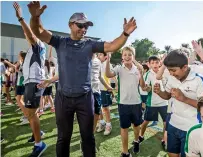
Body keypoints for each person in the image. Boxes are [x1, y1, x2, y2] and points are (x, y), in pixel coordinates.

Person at [28, 1, 137, 156]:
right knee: (63, 138)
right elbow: (38, 31)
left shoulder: (90, 44)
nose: (84, 29)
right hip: (63, 98)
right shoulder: (60, 42)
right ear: (70, 25)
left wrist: (125, 33)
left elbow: (112, 46)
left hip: (85, 98)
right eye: (80, 25)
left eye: (86, 26)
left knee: (88, 137)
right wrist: (35, 17)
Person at [154, 48, 203, 157]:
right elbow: (167, 95)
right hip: (173, 124)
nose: (171, 73)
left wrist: (184, 99)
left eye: (173, 70)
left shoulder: (199, 80)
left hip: (191, 127)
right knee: (172, 154)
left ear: (185, 67)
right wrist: (159, 92)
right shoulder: (172, 78)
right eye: (169, 70)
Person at [13, 2, 47, 156]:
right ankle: (37, 135)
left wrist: (21, 18)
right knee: (31, 113)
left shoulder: (38, 43)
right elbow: (29, 35)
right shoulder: (33, 48)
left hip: (34, 82)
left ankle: (39, 143)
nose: (27, 36)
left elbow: (31, 36)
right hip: (31, 82)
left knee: (31, 114)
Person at [106, 46, 145, 157]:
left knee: (136, 126)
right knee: (124, 128)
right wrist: (108, 60)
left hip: (136, 103)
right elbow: (108, 74)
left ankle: (137, 141)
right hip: (123, 104)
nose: (127, 56)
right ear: (122, 57)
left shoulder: (138, 69)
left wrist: (141, 73)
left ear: (133, 57)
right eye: (125, 54)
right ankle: (125, 152)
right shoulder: (119, 68)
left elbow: (142, 86)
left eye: (130, 54)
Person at [139, 56, 168, 149]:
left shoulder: (165, 72)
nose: (155, 64)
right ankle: (140, 136)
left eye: (156, 62)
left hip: (164, 102)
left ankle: (164, 140)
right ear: (149, 64)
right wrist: (148, 88)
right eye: (152, 63)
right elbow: (145, 88)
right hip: (152, 103)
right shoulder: (147, 74)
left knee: (166, 122)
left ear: (160, 63)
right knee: (146, 121)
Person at [96, 52, 113, 135]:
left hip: (105, 89)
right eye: (98, 54)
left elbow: (111, 75)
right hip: (96, 89)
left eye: (100, 55)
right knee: (98, 108)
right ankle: (102, 123)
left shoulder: (107, 64)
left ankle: (108, 124)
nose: (98, 56)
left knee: (105, 108)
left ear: (105, 56)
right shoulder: (97, 63)